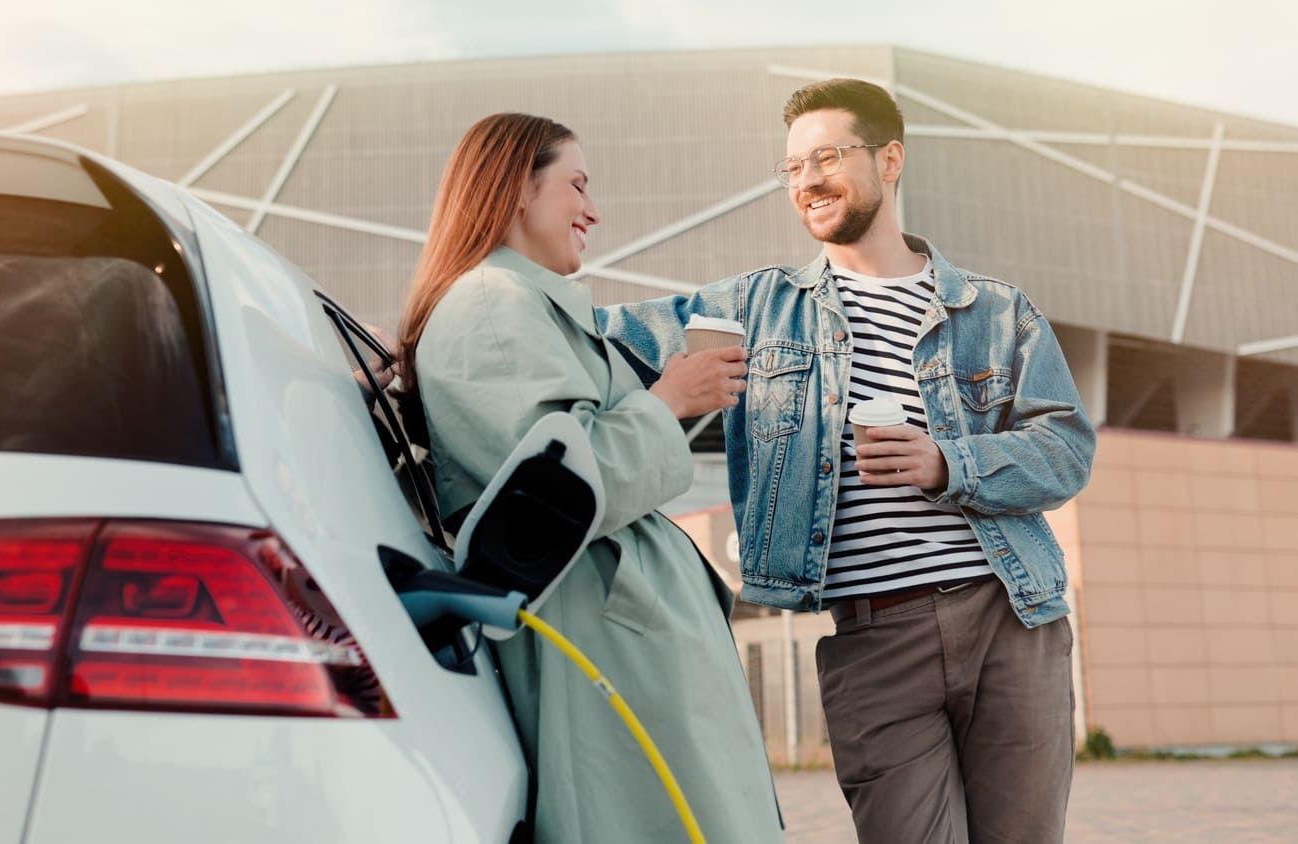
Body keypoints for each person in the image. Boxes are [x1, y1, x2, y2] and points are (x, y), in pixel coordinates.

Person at [598, 80, 1096, 843]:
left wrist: (946, 463)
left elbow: (1066, 450)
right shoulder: (755, 308)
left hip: (1009, 618)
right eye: (791, 167)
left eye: (825, 157)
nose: (806, 182)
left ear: (890, 159)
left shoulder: (998, 312)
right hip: (873, 642)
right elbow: (599, 337)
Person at [396, 112, 782, 843]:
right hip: (601, 640)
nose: (593, 211)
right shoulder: (491, 305)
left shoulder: (519, 304)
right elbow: (549, 492)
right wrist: (671, 402)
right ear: (517, 186)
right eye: (577, 185)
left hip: (613, 633)